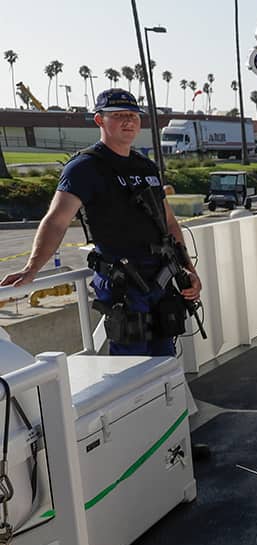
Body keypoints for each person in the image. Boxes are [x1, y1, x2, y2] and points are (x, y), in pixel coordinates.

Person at [0, 88, 201, 356]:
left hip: (161, 280)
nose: (128, 121)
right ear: (99, 120)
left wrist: (188, 269)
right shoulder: (84, 168)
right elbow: (56, 221)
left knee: (165, 361)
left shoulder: (146, 167)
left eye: (133, 115)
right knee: (131, 364)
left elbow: (169, 224)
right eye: (118, 115)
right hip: (125, 284)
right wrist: (31, 268)